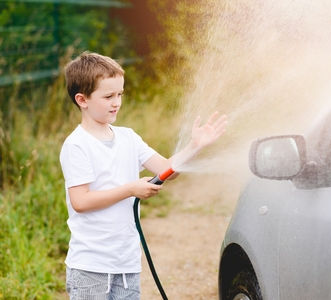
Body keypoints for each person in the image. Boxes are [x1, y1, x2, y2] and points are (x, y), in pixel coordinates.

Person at [60, 51, 227, 299]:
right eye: (108, 96)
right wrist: (130, 189)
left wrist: (195, 146)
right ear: (82, 99)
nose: (116, 102)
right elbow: (81, 202)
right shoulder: (77, 145)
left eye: (119, 94)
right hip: (90, 267)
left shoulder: (128, 137)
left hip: (126, 263)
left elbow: (167, 171)